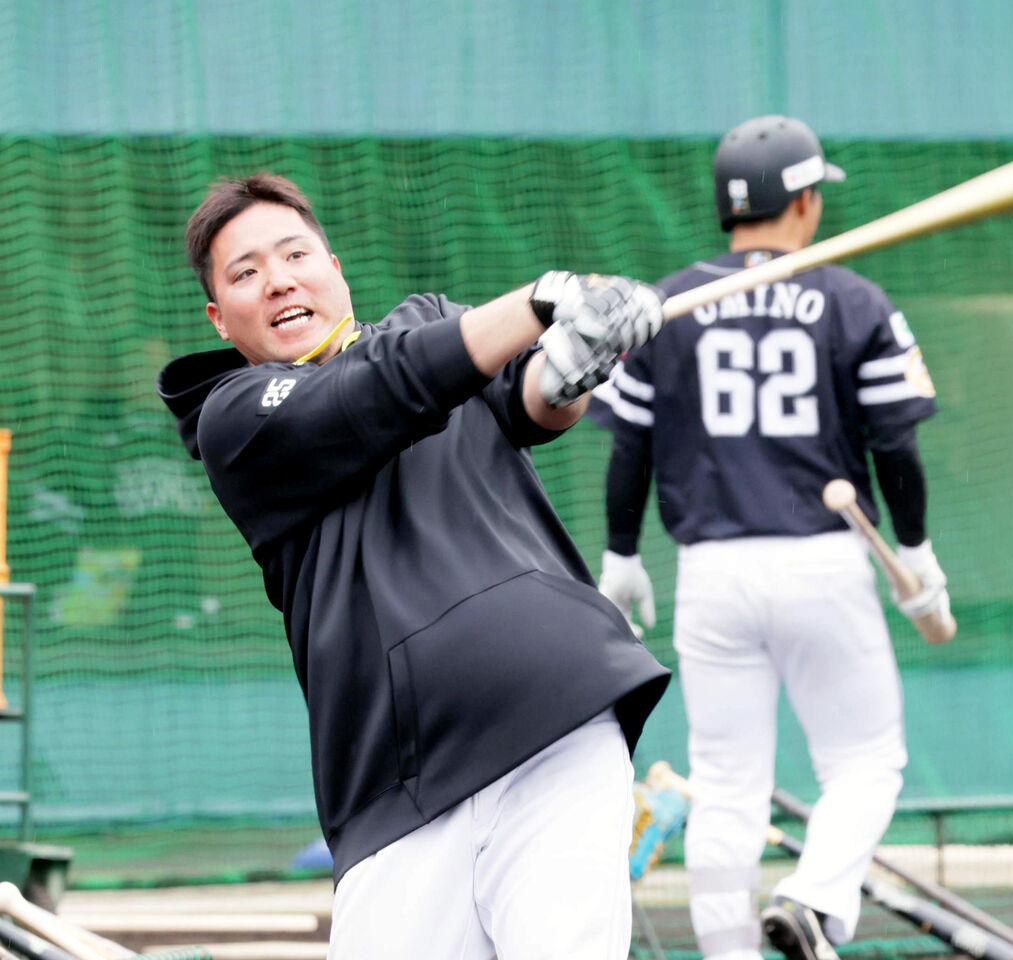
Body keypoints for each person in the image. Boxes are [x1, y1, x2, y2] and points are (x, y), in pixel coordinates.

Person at [157, 173, 671, 959]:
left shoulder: (430, 325)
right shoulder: (232, 417)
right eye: (246, 272)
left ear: (336, 268)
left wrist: (573, 359)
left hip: (552, 716)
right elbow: (377, 394)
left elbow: (531, 398)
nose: (279, 280)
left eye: (295, 254)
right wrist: (543, 300)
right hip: (394, 787)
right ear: (219, 318)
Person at [596, 116, 952, 960]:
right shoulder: (852, 299)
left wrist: (619, 552)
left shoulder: (670, 304)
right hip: (822, 558)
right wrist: (916, 547)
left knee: (724, 786)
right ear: (801, 201)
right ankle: (814, 902)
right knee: (866, 761)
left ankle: (731, 956)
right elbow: (894, 443)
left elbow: (629, 445)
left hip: (711, 571)